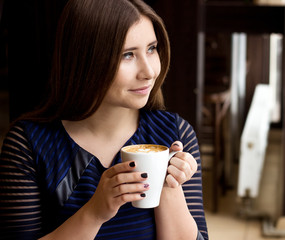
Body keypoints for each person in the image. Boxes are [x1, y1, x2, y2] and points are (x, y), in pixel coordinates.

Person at [0, 0, 208, 239]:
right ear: (85, 60)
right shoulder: (27, 144)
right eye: (128, 55)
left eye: (151, 49)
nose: (149, 71)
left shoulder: (175, 133)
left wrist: (170, 187)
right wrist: (95, 213)